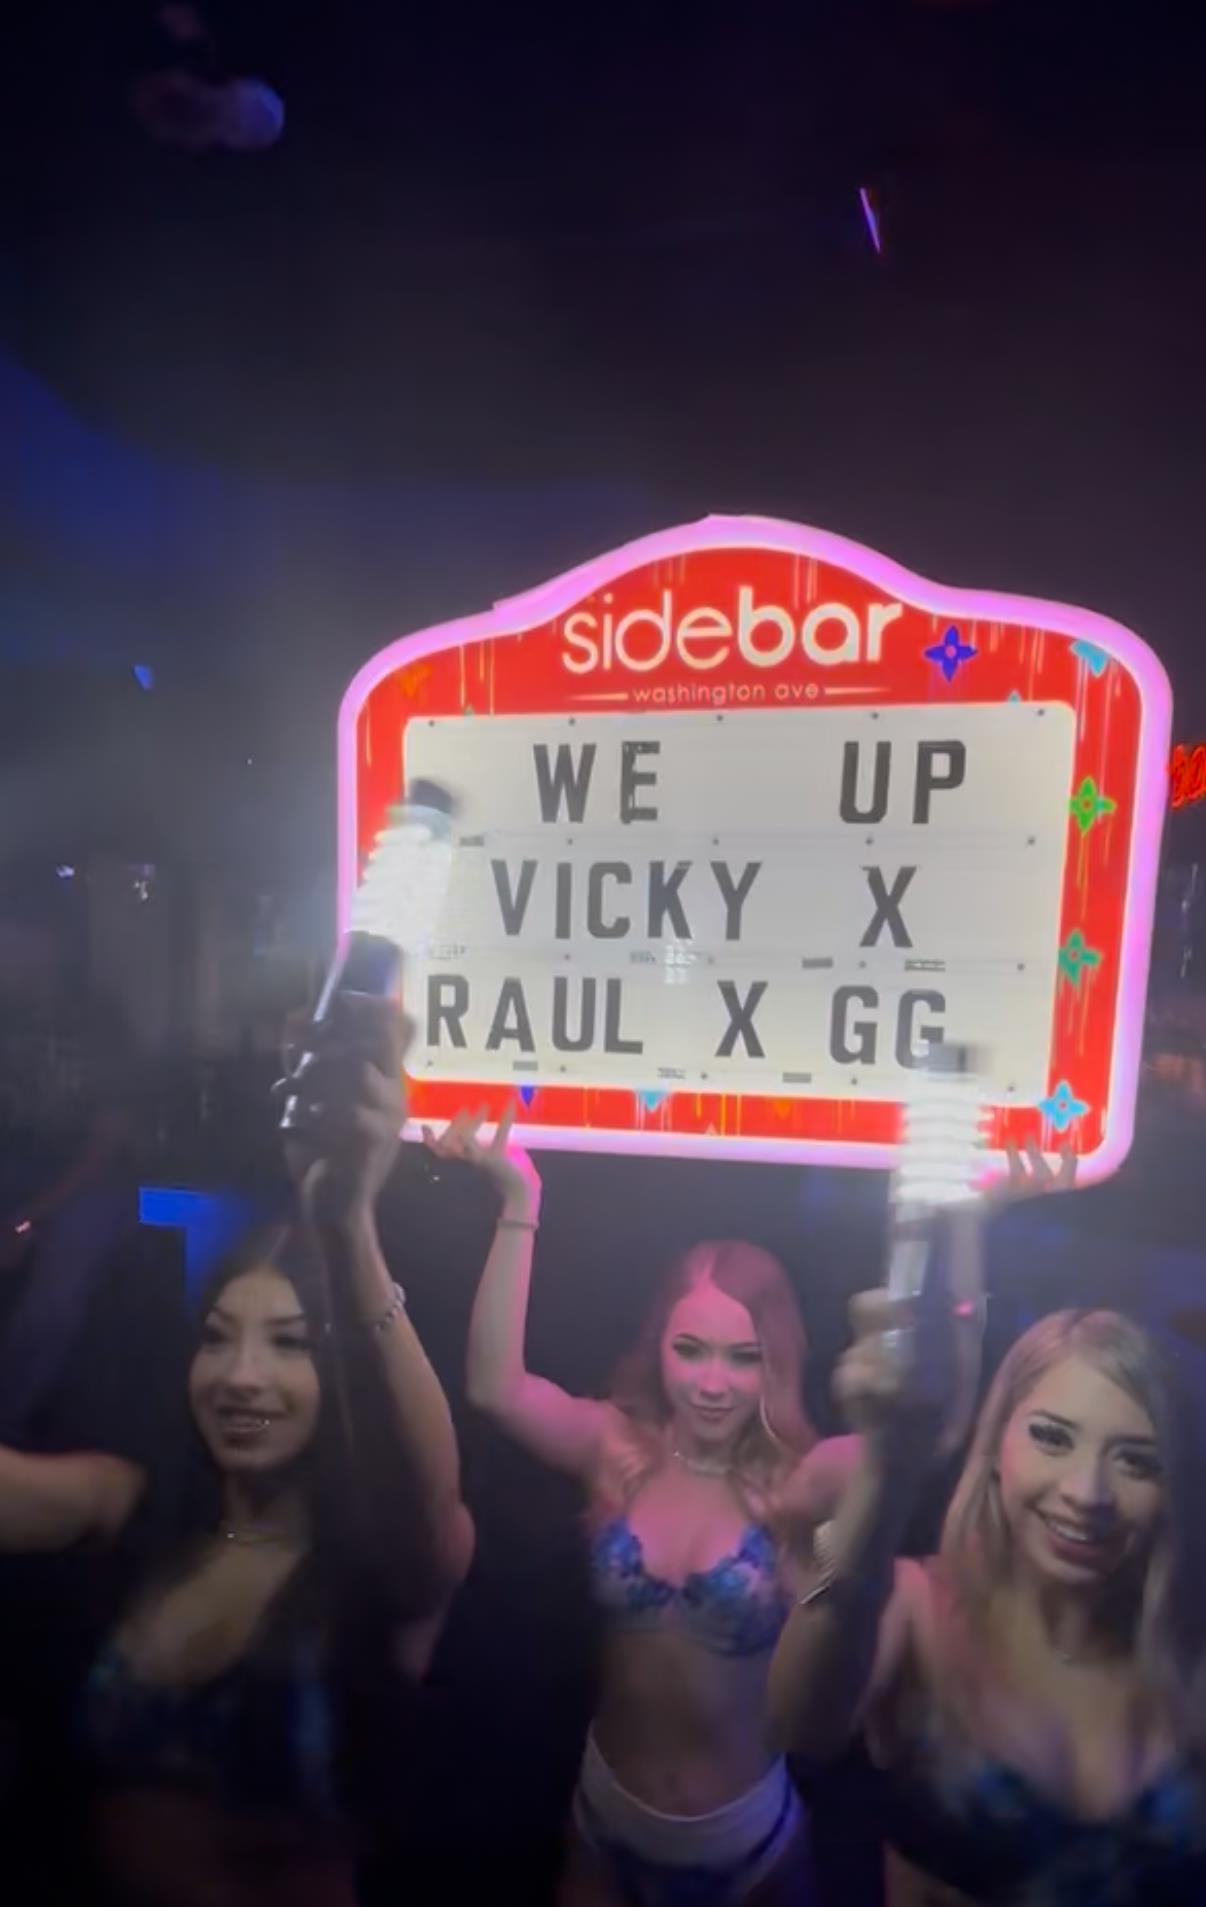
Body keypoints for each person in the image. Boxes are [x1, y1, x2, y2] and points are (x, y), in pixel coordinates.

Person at [0, 997, 473, 1907]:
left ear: (340, 1374)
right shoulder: (132, 1503)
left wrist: (345, 1223)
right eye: (218, 1338)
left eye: (289, 1344)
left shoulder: (382, 1562)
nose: (241, 1374)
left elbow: (426, 1491)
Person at [429, 1106, 858, 1907]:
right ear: (658, 1344)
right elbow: (494, 1384)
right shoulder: (615, 1448)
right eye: (689, 1348)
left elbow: (922, 1440)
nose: (711, 1381)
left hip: (749, 1844)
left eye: (742, 1357)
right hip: (604, 1821)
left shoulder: (800, 1483)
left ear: (776, 1363)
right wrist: (520, 1197)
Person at [768, 1242, 1206, 1906]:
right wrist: (889, 1463)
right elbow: (798, 1723)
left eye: (1136, 1461)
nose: (1088, 1491)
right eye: (1053, 1437)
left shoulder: (1188, 1639)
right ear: (997, 1443)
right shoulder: (920, 1604)